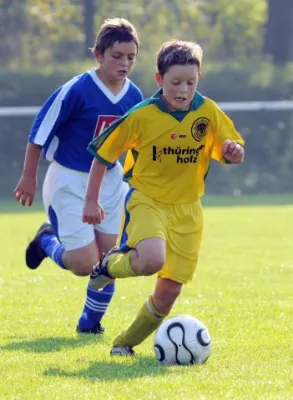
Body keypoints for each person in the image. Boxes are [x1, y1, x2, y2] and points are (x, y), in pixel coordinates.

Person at [82, 39, 245, 356]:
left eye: (190, 82)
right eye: (175, 83)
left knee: (169, 291)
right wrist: (91, 200)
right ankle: (107, 266)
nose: (183, 90)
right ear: (159, 79)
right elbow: (102, 155)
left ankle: (124, 344)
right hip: (148, 200)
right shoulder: (141, 116)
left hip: (189, 211)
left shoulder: (207, 112)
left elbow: (233, 151)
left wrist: (234, 151)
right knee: (151, 259)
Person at [13, 18, 143, 334]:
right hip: (69, 181)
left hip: (110, 183)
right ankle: (47, 241)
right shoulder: (76, 90)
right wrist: (28, 177)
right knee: (84, 263)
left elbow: (139, 143)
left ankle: (89, 324)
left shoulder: (134, 96)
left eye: (130, 57)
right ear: (98, 54)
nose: (124, 63)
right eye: (116, 56)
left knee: (108, 261)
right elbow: (39, 134)